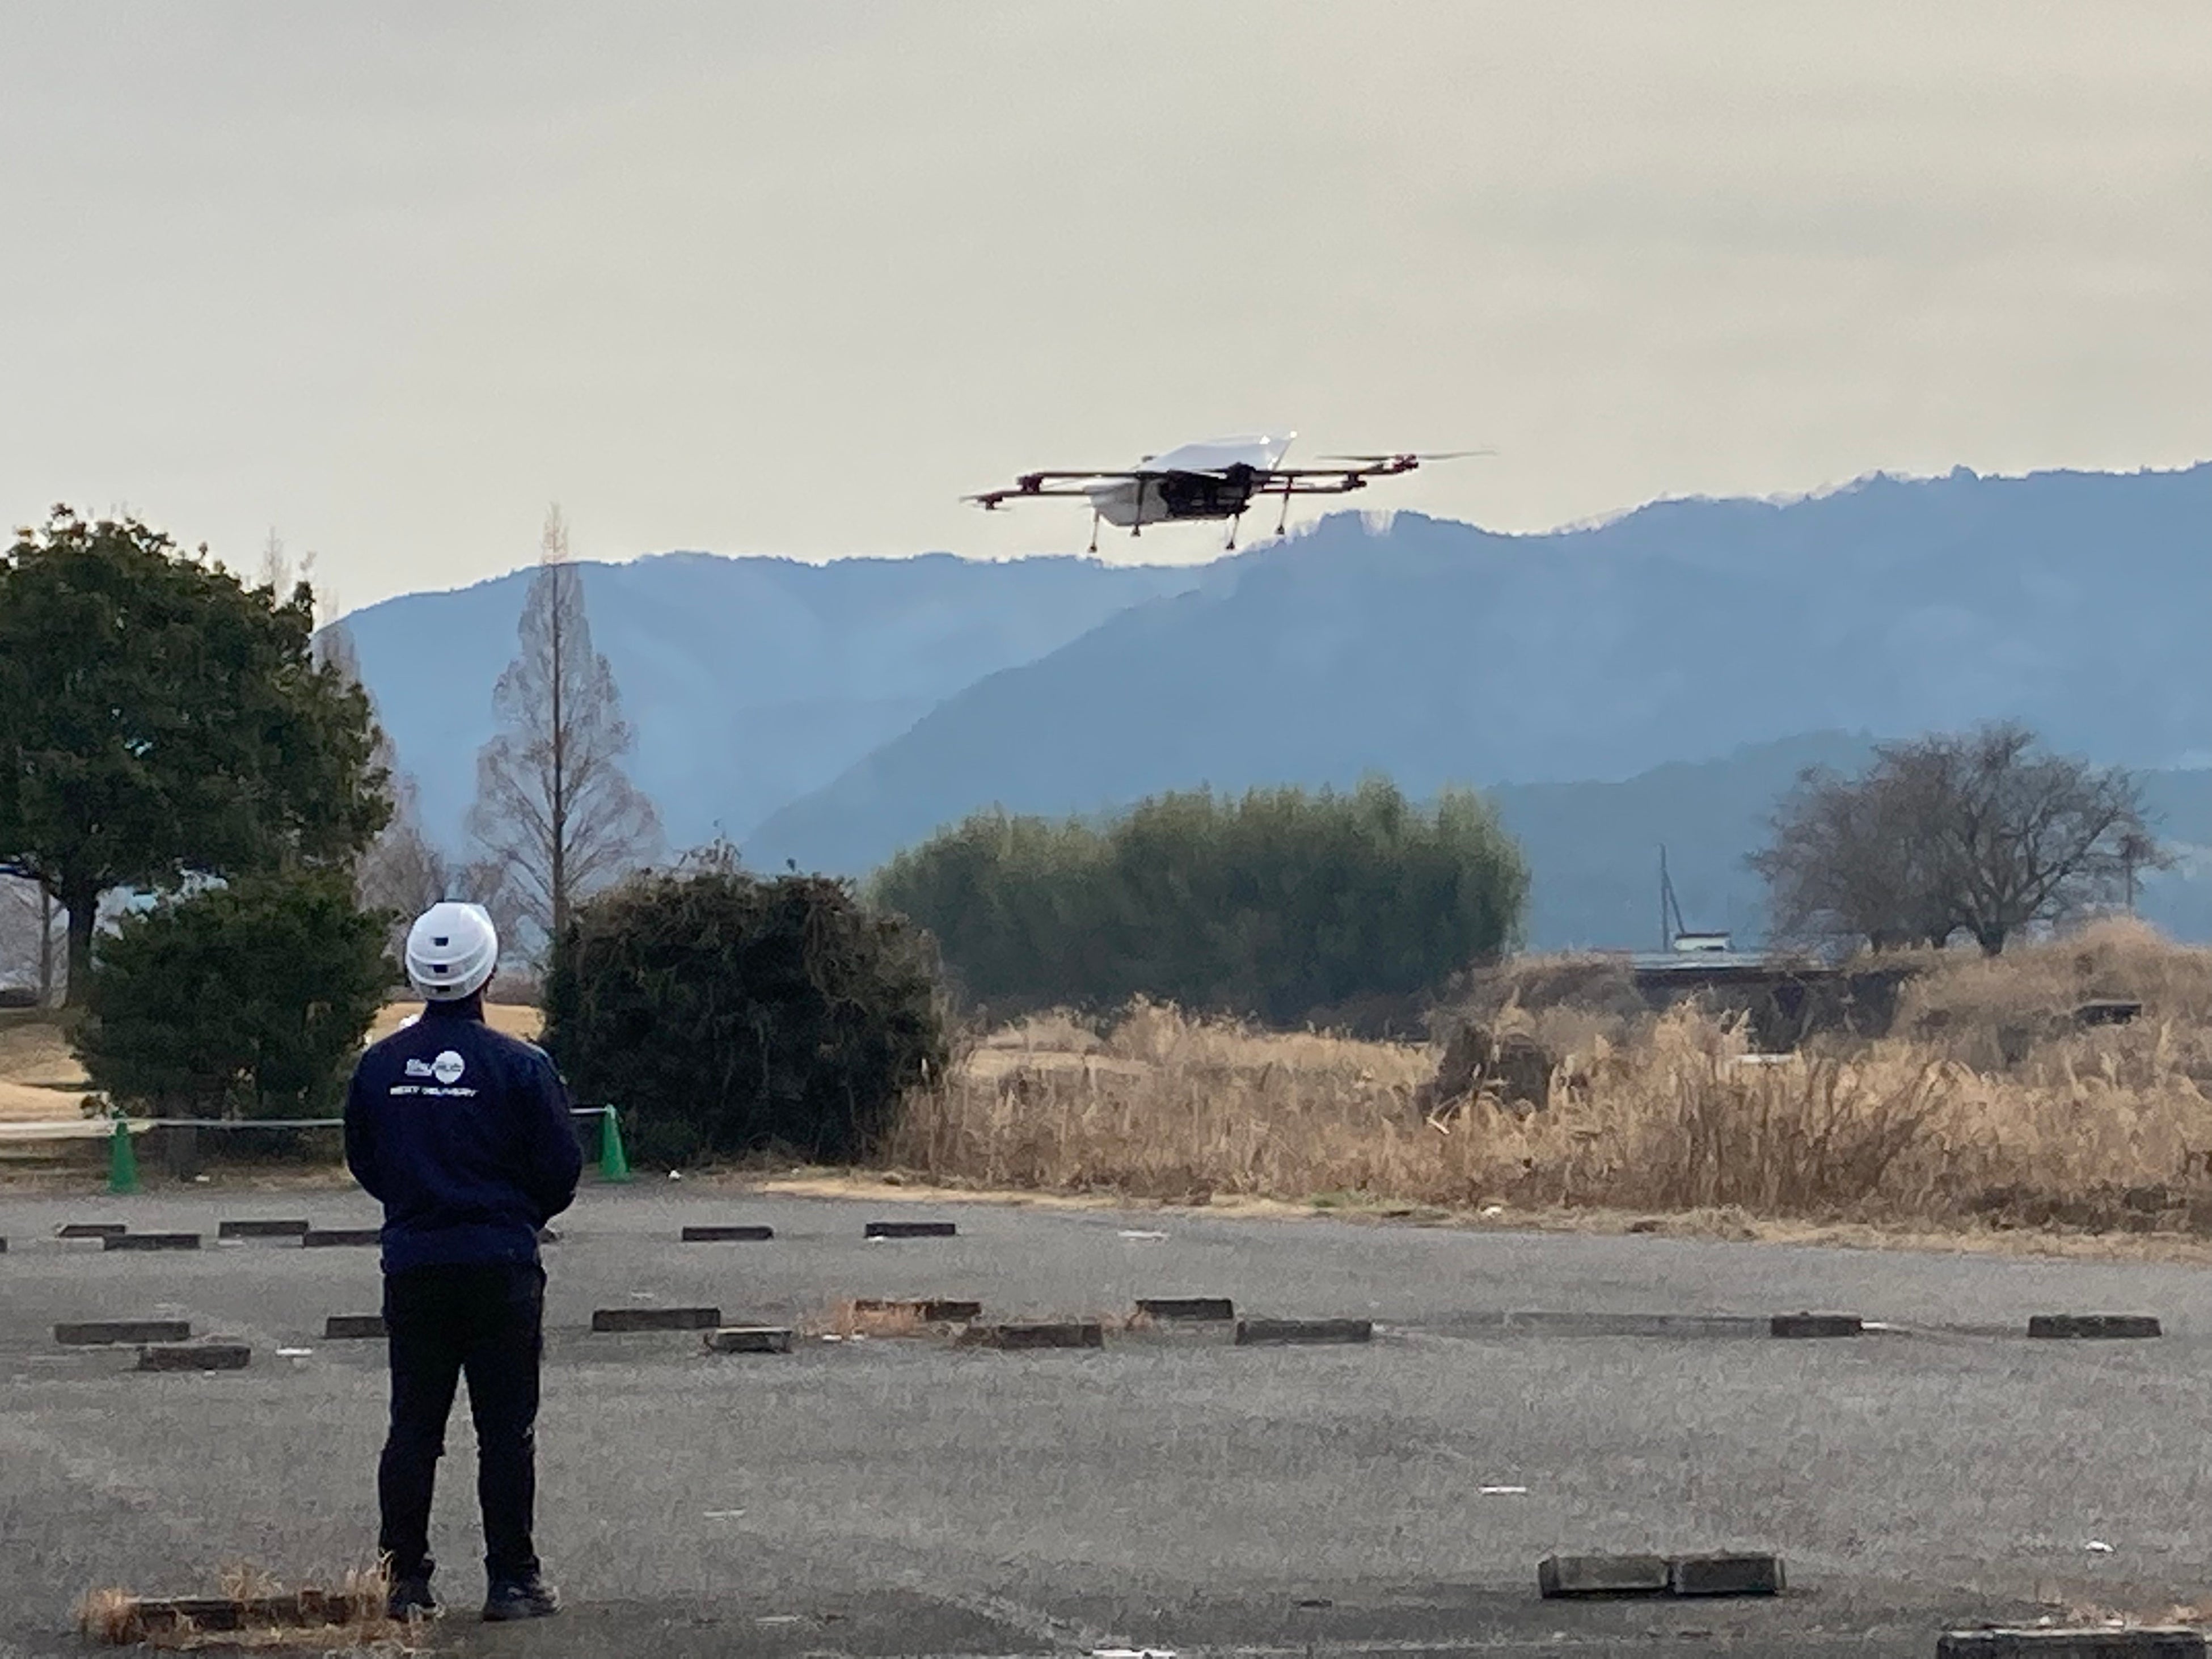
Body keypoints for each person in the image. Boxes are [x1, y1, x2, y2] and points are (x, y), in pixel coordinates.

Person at [344, 902, 582, 1623]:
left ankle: (403, 1581)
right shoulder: (522, 1066)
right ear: (485, 973)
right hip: (502, 1261)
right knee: (505, 1430)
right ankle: (512, 1579)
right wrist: (515, 1215)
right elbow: (561, 1170)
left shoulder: (381, 1066)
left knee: (414, 1426)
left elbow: (366, 1159)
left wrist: (417, 1206)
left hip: (415, 1261)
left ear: (417, 973)